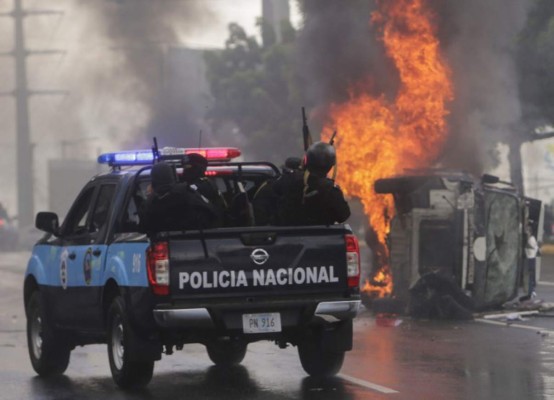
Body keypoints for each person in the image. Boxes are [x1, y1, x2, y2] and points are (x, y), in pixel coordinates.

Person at [272, 141, 350, 226]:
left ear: (306, 161)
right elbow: (343, 216)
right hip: (321, 236)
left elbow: (272, 195)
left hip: (286, 235)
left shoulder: (288, 179)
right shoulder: (330, 189)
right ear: (330, 166)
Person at [139, 162, 218, 233]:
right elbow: (212, 215)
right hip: (202, 244)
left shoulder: (151, 204)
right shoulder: (190, 194)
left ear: (153, 182)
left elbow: (143, 230)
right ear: (172, 177)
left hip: (170, 246)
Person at [181, 153, 227, 225]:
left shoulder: (206, 186)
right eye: (185, 168)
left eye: (189, 167)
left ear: (199, 168)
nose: (186, 171)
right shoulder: (185, 185)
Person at [525, 224, 539, 298]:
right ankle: (532, 291)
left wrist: (532, 253)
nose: (526, 232)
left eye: (527, 230)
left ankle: (532, 291)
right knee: (530, 275)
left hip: (531, 259)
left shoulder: (531, 239)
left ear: (530, 231)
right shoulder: (530, 238)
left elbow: (535, 248)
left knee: (530, 276)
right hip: (530, 258)